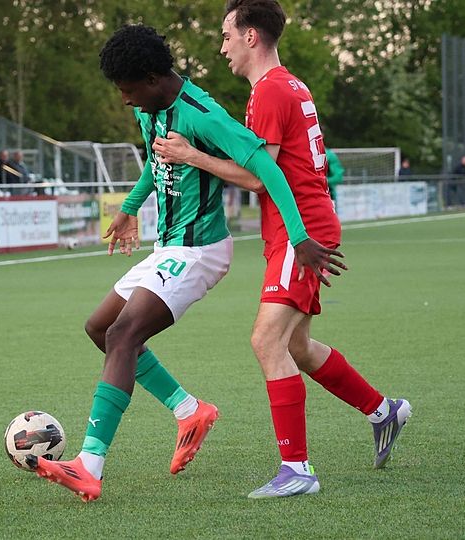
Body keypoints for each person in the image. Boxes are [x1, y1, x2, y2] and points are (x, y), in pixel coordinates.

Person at [28, 24, 342, 503]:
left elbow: (267, 170)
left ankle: (89, 465)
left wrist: (299, 239)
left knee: (123, 335)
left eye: (129, 90)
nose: (126, 100)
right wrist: (130, 207)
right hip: (168, 247)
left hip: (200, 251)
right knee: (100, 328)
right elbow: (157, 165)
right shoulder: (150, 108)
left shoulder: (202, 114)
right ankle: (189, 410)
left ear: (153, 79)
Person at [154, 0, 411, 498]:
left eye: (227, 35)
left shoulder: (270, 90)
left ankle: (297, 470)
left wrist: (191, 155)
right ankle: (384, 411)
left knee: (266, 341)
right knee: (296, 346)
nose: (222, 47)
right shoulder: (289, 84)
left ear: (250, 36)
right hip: (299, 229)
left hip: (302, 233)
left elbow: (257, 177)